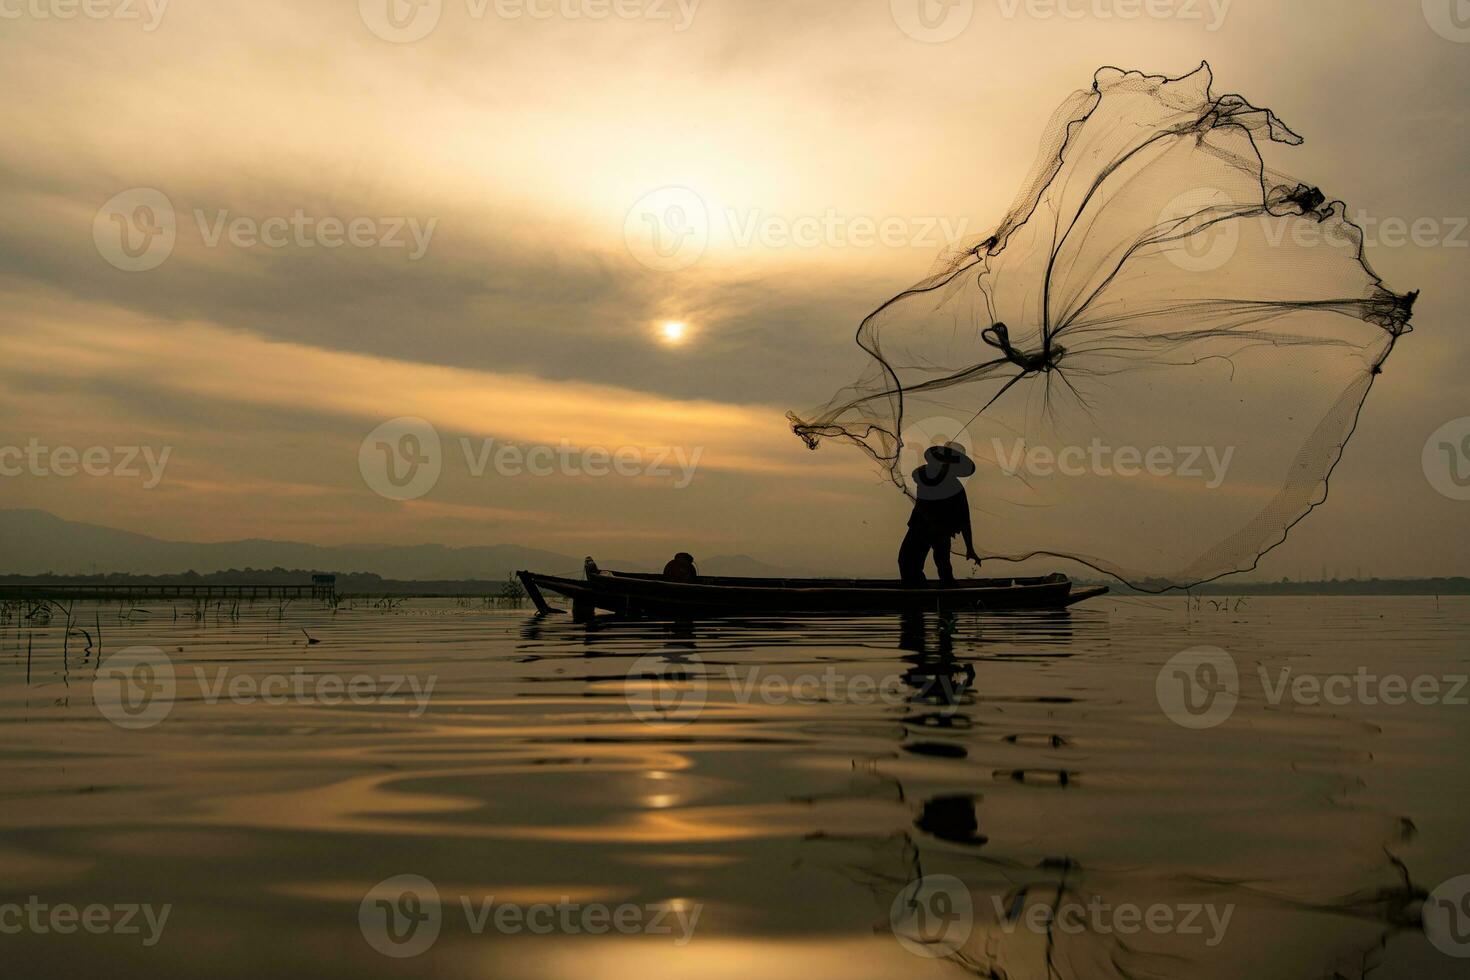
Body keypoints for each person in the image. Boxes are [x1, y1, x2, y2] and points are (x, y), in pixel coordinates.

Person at [899, 442, 981, 584]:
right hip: (920, 529)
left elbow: (964, 521)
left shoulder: (956, 488)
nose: (945, 465)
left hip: (940, 532)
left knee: (943, 566)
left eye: (949, 463)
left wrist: (970, 548)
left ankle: (943, 594)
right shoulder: (926, 475)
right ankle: (918, 594)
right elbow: (917, 473)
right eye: (943, 461)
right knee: (907, 562)